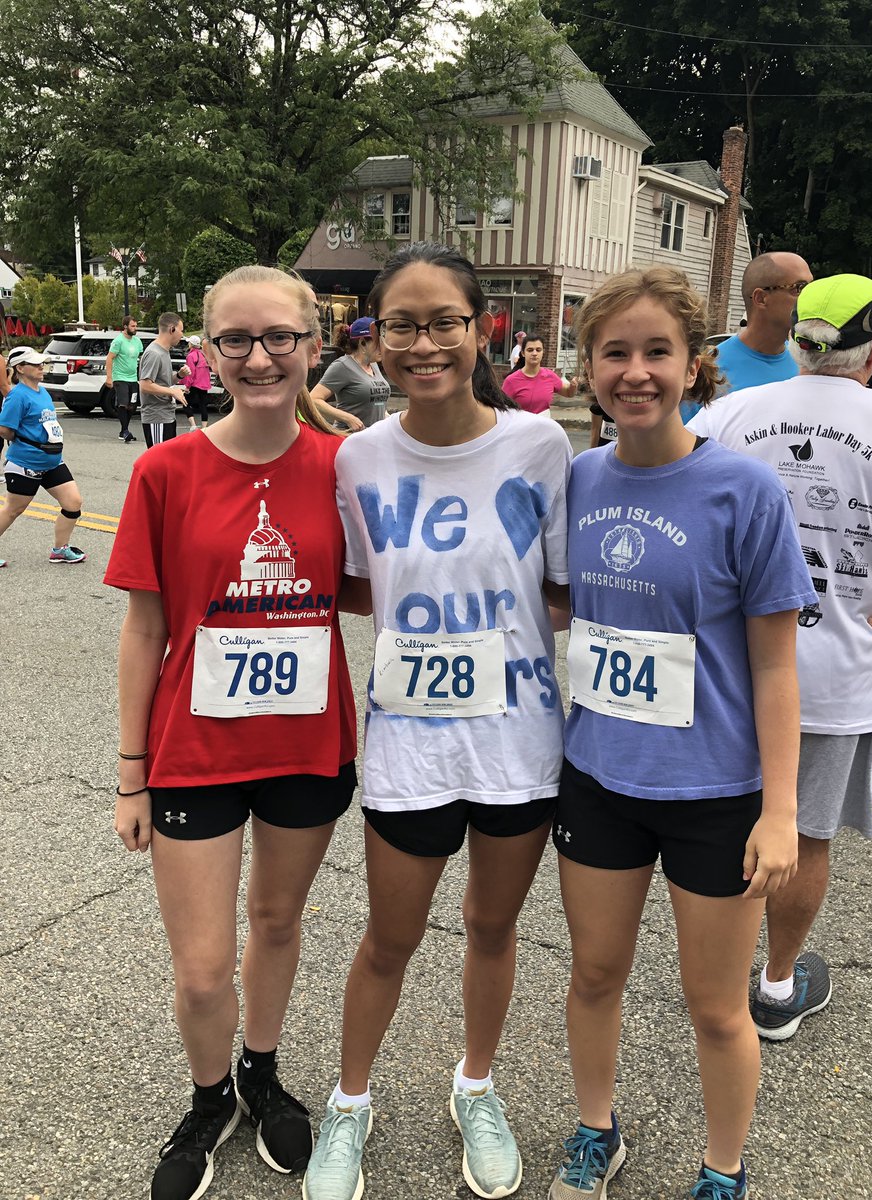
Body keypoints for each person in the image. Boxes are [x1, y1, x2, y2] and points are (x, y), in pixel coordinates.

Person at [303, 242, 572, 1200]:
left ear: (478, 328)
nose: (425, 344)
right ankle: (349, 1105)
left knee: (493, 932)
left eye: (444, 323)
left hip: (518, 743)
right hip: (409, 745)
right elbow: (347, 586)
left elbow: (563, 590)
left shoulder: (542, 447)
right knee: (389, 939)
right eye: (402, 325)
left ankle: (477, 1086)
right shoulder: (359, 457)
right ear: (377, 341)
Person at [550, 265, 814, 1200]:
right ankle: (594, 1131)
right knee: (594, 976)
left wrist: (780, 811)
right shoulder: (578, 478)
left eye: (656, 351)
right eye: (614, 352)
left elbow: (778, 665)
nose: (635, 371)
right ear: (586, 366)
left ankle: (723, 1169)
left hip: (716, 795)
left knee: (713, 1006)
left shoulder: (742, 489)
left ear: (693, 362)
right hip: (600, 778)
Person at [105, 265, 358, 1200]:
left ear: (310, 344)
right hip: (194, 755)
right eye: (237, 340)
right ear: (207, 351)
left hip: (306, 749)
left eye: (279, 338)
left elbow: (389, 583)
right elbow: (144, 630)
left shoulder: (346, 465)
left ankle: (261, 1068)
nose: (260, 357)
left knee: (279, 923)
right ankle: (210, 1096)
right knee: (205, 968)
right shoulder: (163, 470)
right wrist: (131, 775)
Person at [688, 273, 872, 1037]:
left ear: (801, 335)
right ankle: (775, 989)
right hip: (835, 671)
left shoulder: (727, 414)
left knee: (723, 820)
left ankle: (712, 975)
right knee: (804, 834)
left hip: (724, 667)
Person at [0, 346, 86, 567]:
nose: (41, 367)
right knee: (13, 510)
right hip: (25, 463)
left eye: (42, 363)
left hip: (52, 461)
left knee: (73, 503)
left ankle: (60, 549)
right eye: (35, 364)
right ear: (20, 368)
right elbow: (5, 429)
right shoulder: (17, 396)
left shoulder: (43, 391)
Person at [712, 251, 814, 398]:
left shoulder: (807, 364)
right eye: (799, 288)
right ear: (761, 298)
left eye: (812, 288)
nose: (811, 297)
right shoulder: (711, 372)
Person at [310, 317, 390, 432]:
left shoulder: (374, 365)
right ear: (362, 343)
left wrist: (390, 419)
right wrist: (349, 419)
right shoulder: (342, 366)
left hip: (373, 438)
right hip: (348, 438)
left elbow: (378, 404)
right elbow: (314, 399)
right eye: (379, 342)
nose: (383, 347)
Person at [139, 312, 187, 447]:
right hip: (156, 417)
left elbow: (162, 382)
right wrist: (173, 392)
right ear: (172, 329)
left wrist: (179, 376)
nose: (182, 335)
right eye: (181, 330)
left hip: (166, 415)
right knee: (158, 463)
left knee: (167, 462)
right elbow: (145, 386)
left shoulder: (164, 351)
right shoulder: (154, 353)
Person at [500, 334, 578, 414]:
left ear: (543, 352)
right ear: (523, 353)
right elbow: (501, 410)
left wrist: (573, 386)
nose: (534, 353)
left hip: (544, 425)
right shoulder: (511, 381)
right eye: (530, 350)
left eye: (538, 350)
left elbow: (568, 393)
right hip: (521, 425)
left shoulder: (550, 376)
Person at [105, 315, 143, 443]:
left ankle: (123, 431)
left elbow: (140, 358)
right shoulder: (118, 341)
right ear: (125, 326)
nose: (135, 328)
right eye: (132, 326)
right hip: (120, 377)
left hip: (133, 378)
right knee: (123, 403)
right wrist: (109, 377)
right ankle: (125, 431)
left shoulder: (137, 341)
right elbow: (109, 358)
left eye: (136, 326)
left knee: (132, 406)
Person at [179, 334, 212, 431]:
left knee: (185, 403)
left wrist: (187, 387)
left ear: (191, 344)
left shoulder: (191, 356)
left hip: (194, 384)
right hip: (204, 384)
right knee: (203, 406)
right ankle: (204, 428)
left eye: (189, 342)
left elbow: (190, 373)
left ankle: (193, 425)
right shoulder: (203, 355)